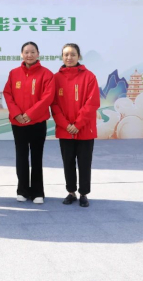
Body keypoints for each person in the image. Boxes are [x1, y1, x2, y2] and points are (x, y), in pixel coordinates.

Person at [3, 42, 54, 204]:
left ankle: (38, 192)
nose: (29, 55)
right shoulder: (14, 73)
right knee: (21, 156)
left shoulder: (46, 74)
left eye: (33, 52)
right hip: (18, 123)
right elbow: (8, 94)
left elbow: (47, 97)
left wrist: (30, 114)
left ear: (38, 54)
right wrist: (17, 114)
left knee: (37, 157)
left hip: (37, 122)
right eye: (26, 52)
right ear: (21, 54)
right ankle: (22, 190)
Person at [51, 43, 100, 208]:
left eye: (72, 54)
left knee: (84, 163)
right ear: (62, 57)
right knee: (68, 162)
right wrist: (65, 125)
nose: (69, 57)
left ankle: (84, 193)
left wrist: (78, 124)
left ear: (79, 56)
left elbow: (92, 103)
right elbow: (54, 104)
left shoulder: (89, 76)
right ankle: (71, 192)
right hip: (65, 129)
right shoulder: (56, 78)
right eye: (66, 54)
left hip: (84, 129)